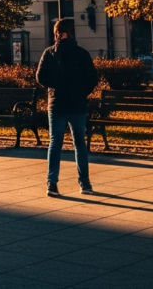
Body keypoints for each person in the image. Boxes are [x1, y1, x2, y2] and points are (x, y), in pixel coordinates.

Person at [36, 18, 98, 197]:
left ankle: (52, 184)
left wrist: (55, 86)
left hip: (56, 104)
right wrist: (81, 92)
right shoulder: (81, 53)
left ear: (60, 33)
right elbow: (92, 78)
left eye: (57, 32)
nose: (56, 35)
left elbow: (40, 77)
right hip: (77, 105)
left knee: (55, 143)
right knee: (79, 144)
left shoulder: (49, 53)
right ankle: (84, 183)